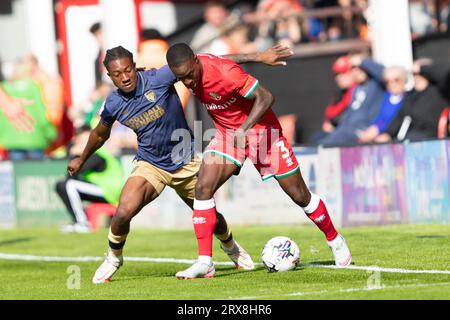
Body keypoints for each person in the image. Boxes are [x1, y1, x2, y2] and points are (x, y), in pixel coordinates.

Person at [67, 44, 293, 283]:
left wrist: (258, 56)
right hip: (150, 165)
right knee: (123, 212)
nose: (124, 77)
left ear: (134, 66)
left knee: (212, 219)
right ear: (110, 76)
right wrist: (82, 158)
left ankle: (231, 247)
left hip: (185, 162)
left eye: (127, 70)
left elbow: (209, 62)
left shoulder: (159, 77)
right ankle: (113, 258)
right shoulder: (113, 104)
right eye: (117, 74)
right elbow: (100, 134)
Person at [166, 43, 352, 279]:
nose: (189, 82)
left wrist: (244, 129)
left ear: (195, 61)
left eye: (190, 75)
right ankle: (205, 262)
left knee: (300, 196)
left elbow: (266, 97)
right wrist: (255, 56)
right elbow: (220, 58)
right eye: (182, 78)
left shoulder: (225, 73)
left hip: (263, 132)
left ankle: (335, 240)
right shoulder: (193, 67)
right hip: (227, 134)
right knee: (202, 188)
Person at [56, 124, 124, 233]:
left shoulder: (99, 154)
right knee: (62, 186)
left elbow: (74, 172)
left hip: (110, 192)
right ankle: (77, 221)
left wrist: (75, 155)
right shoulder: (90, 154)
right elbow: (70, 175)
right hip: (101, 189)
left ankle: (82, 224)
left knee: (70, 185)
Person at [356, 66, 408, 143]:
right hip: (370, 135)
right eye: (388, 81)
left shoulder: (408, 100)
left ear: (404, 80)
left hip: (393, 138)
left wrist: (379, 129)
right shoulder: (382, 97)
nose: (392, 84)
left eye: (396, 80)